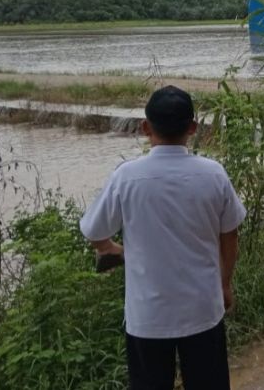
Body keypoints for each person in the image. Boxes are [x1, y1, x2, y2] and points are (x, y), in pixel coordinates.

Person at [80, 86, 246, 390]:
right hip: (203, 309)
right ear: (193, 128)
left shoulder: (127, 177)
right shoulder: (213, 174)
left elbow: (93, 231)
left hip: (149, 317)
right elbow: (230, 234)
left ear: (145, 127)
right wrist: (224, 284)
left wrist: (114, 249)